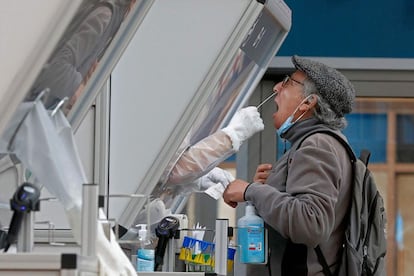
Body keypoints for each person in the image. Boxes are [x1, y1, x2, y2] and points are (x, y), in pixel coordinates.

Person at [223, 55, 356, 276]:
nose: (276, 88)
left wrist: (251, 191)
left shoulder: (317, 145)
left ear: (308, 102)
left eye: (287, 82)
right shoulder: (321, 143)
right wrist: (270, 189)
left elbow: (310, 223)